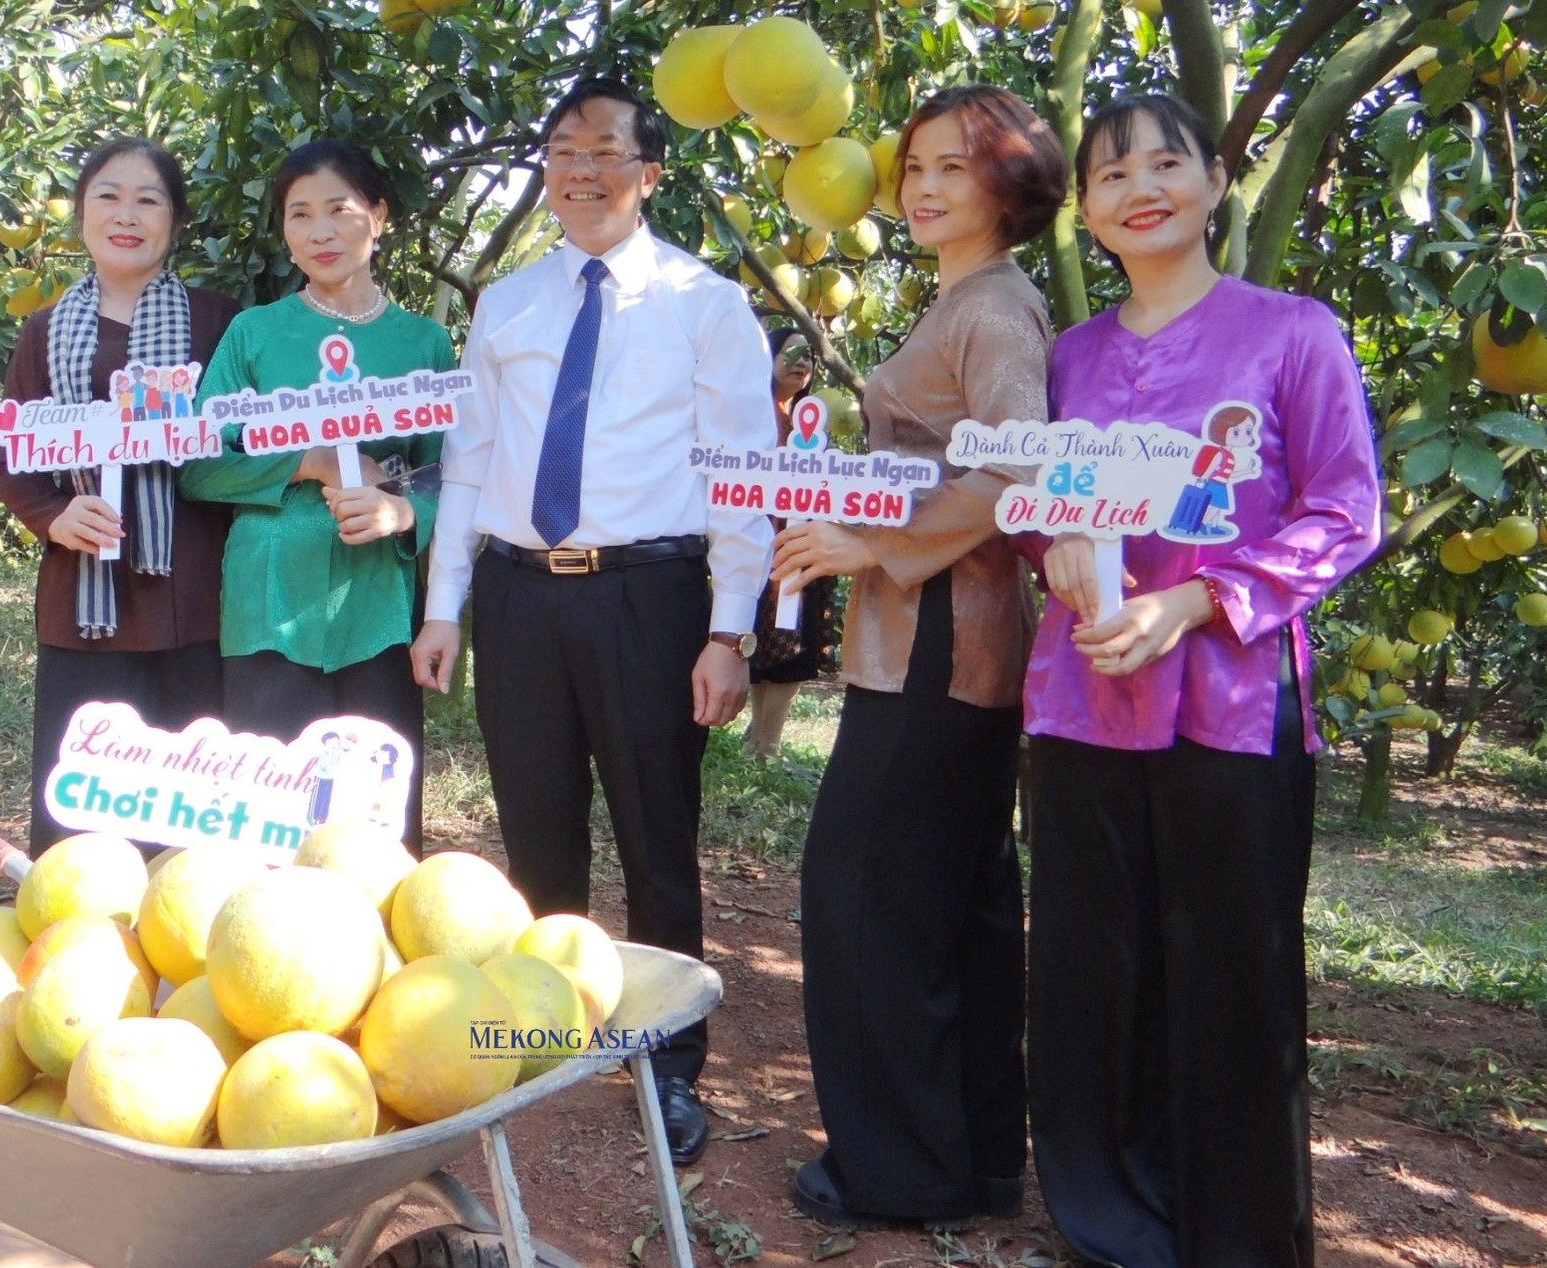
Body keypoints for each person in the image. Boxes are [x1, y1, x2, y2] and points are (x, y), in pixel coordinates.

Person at [1023, 93, 1379, 1268]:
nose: (1140, 187)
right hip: (1081, 694)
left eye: (1165, 163)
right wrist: (1060, 550)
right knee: (1095, 964)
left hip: (1230, 701)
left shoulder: (1292, 333)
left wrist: (1190, 600)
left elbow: (1343, 510)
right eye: (1111, 172)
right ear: (1084, 211)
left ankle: (1235, 1236)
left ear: (1213, 183)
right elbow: (1039, 508)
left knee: (1230, 974)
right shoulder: (1068, 356)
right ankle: (1107, 1219)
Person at [409, 77, 773, 1166]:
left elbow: (740, 474)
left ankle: (665, 1060)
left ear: (647, 172)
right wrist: (445, 607)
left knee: (657, 833)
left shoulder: (703, 302)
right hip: (521, 593)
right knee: (536, 830)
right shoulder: (506, 304)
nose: (579, 166)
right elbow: (467, 464)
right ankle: (541, 1035)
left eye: (604, 148)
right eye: (561, 148)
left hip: (647, 596)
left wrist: (730, 629)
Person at [770, 86, 1065, 1230]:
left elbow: (1014, 469)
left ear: (1011, 181)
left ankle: (896, 1172)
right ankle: (975, 1158)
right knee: (958, 902)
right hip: (948, 638)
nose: (926, 186)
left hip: (939, 637)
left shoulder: (990, 311)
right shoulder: (972, 299)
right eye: (915, 168)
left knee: (865, 900)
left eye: (957, 165)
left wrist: (868, 543)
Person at [180, 140, 451, 851]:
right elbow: (199, 465)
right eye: (300, 216)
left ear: (380, 217)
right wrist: (306, 462)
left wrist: (402, 510)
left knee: (378, 822)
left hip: (378, 610)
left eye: (339, 210)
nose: (321, 232)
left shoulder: (423, 344)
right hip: (268, 603)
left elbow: (450, 476)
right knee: (270, 820)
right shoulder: (254, 334)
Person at [0, 137, 241, 857]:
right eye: (107, 195)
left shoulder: (218, 320)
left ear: (175, 220)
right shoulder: (43, 332)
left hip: (195, 595)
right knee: (85, 809)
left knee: (193, 806)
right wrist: (53, 515)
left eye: (147, 198)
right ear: (80, 216)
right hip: (85, 597)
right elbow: (15, 453)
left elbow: (241, 445)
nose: (125, 214)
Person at [743, 328, 836, 762]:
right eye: (791, 353)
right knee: (767, 643)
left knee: (787, 641)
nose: (802, 363)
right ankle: (763, 742)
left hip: (800, 544)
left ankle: (765, 741)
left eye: (809, 357)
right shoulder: (753, 414)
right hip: (758, 545)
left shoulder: (810, 420)